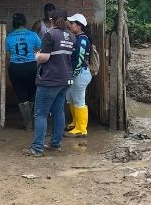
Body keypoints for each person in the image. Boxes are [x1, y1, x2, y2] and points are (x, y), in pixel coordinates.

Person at [24, 8, 75, 157]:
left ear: (51, 20)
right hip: (66, 79)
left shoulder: (50, 34)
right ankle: (55, 144)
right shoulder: (71, 36)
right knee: (59, 111)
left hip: (51, 79)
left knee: (40, 113)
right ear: (66, 20)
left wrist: (36, 55)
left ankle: (37, 148)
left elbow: (45, 58)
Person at [5, 13, 42, 130]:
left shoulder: (9, 37)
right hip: (31, 67)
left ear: (14, 24)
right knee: (32, 92)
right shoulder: (33, 35)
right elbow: (40, 48)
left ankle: (27, 122)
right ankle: (31, 118)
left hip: (15, 68)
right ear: (25, 22)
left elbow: (7, 55)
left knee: (21, 95)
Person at [65, 13, 92, 138]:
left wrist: (72, 74)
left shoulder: (82, 39)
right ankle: (75, 123)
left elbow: (80, 59)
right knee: (70, 98)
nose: (70, 26)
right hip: (75, 73)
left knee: (79, 99)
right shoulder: (76, 38)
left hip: (80, 73)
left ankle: (81, 129)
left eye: (72, 24)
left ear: (79, 26)